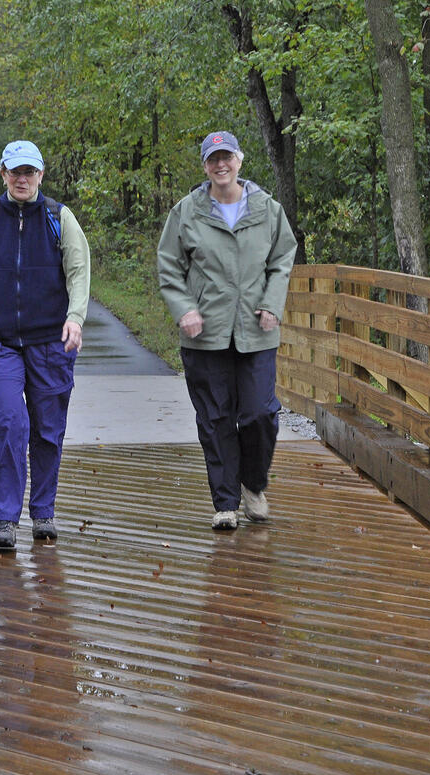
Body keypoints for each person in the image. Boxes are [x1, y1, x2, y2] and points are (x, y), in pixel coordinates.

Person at [156, 130, 297, 531]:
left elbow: (282, 258)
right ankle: (225, 503)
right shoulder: (186, 212)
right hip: (205, 333)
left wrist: (272, 303)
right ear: (205, 166)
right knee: (215, 417)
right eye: (212, 159)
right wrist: (184, 309)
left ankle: (253, 484)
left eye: (227, 157)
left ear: (239, 161)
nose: (221, 165)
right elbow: (169, 265)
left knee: (259, 414)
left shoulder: (268, 210)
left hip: (256, 329)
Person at [0, 140, 90, 549]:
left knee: (48, 430)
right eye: (15, 172)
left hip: (50, 340)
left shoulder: (58, 218)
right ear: (3, 174)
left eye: (29, 172)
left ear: (40, 175)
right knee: (10, 421)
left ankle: (43, 511)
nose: (22, 179)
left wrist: (75, 318)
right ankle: (3, 519)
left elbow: (79, 271)